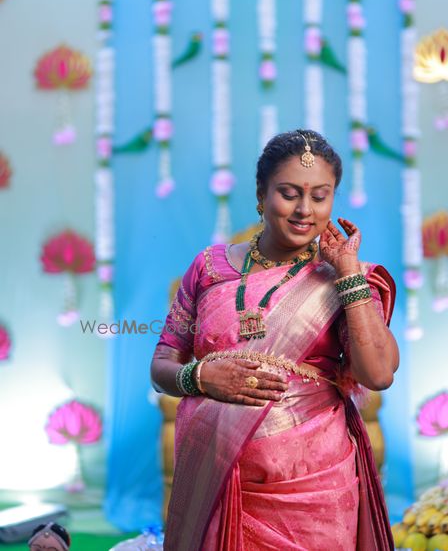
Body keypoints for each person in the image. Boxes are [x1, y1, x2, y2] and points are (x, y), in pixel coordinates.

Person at [151, 129, 399, 551]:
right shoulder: (209, 268)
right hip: (216, 476)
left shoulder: (346, 277)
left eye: (320, 196)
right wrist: (201, 377)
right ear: (261, 193)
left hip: (315, 489)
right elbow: (161, 366)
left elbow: (377, 375)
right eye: (289, 193)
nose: (305, 210)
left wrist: (348, 275)